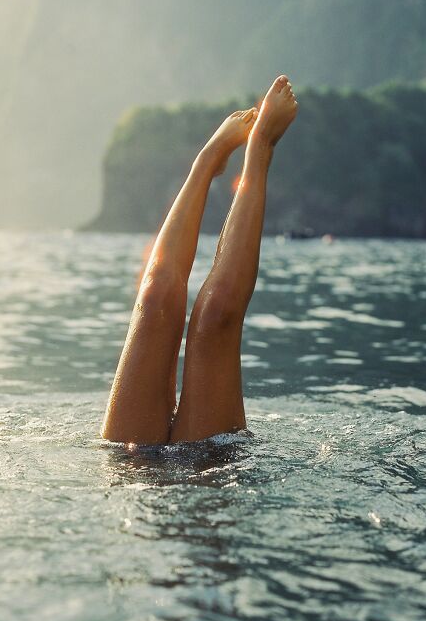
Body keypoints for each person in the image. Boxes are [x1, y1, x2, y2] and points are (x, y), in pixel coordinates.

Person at [101, 74, 298, 445]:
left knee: (167, 301)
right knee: (198, 310)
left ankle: (216, 159)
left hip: (130, 461)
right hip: (205, 467)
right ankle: (253, 150)